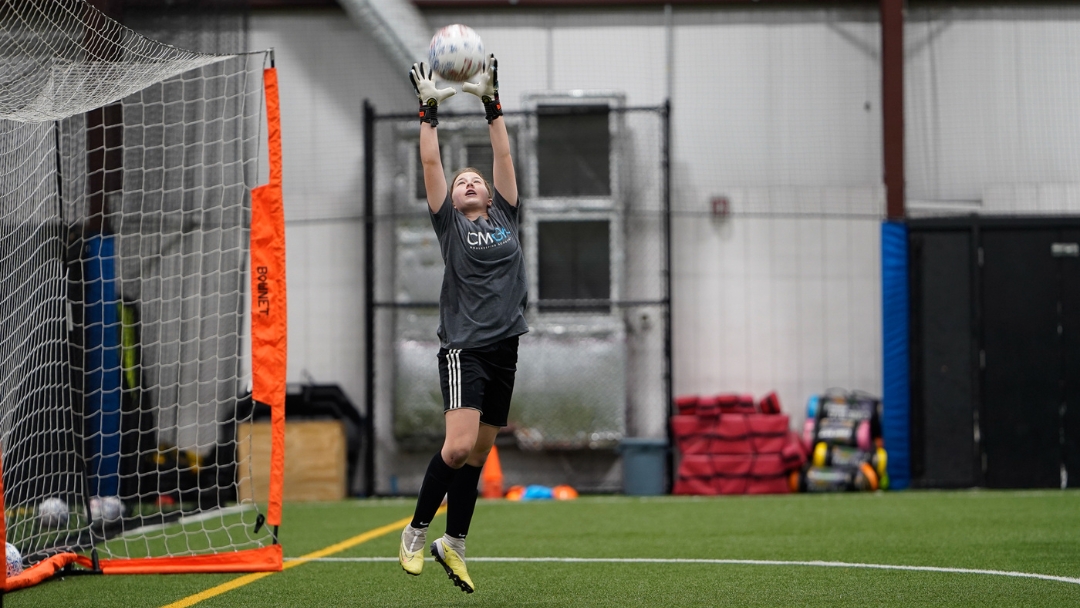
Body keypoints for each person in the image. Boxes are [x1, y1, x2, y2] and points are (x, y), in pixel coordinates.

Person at [398, 54, 527, 594]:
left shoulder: (505, 215)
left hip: (505, 348)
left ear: (491, 195)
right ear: (450, 200)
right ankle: (415, 531)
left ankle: (455, 543)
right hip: (464, 349)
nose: (469, 181)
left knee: (477, 453)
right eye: (461, 181)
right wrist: (428, 112)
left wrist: (489, 102)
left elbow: (501, 151)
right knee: (455, 448)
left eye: (476, 180)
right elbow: (431, 165)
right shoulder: (449, 227)